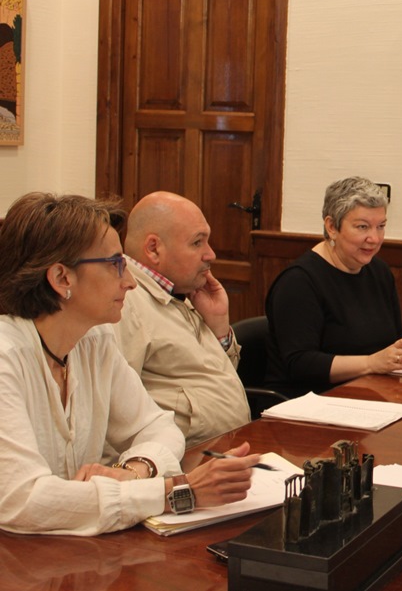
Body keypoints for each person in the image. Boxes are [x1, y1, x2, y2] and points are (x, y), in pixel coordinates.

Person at [0, 192, 258, 535]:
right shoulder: (6, 357)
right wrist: (176, 492)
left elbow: (158, 427)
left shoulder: (94, 340)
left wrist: (137, 469)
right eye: (115, 264)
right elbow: (24, 500)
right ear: (62, 278)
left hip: (71, 549)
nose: (131, 281)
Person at [264, 176, 402, 398]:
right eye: (362, 227)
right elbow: (300, 364)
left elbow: (386, 341)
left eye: (381, 227)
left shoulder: (378, 271)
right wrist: (371, 363)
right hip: (310, 402)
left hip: (368, 393)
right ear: (332, 226)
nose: (374, 238)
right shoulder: (299, 282)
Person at [115, 192, 250, 447]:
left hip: (223, 448)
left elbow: (214, 377)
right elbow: (114, 413)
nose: (210, 254)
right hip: (180, 465)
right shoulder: (125, 304)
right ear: (154, 249)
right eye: (197, 243)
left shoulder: (179, 289)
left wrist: (219, 328)